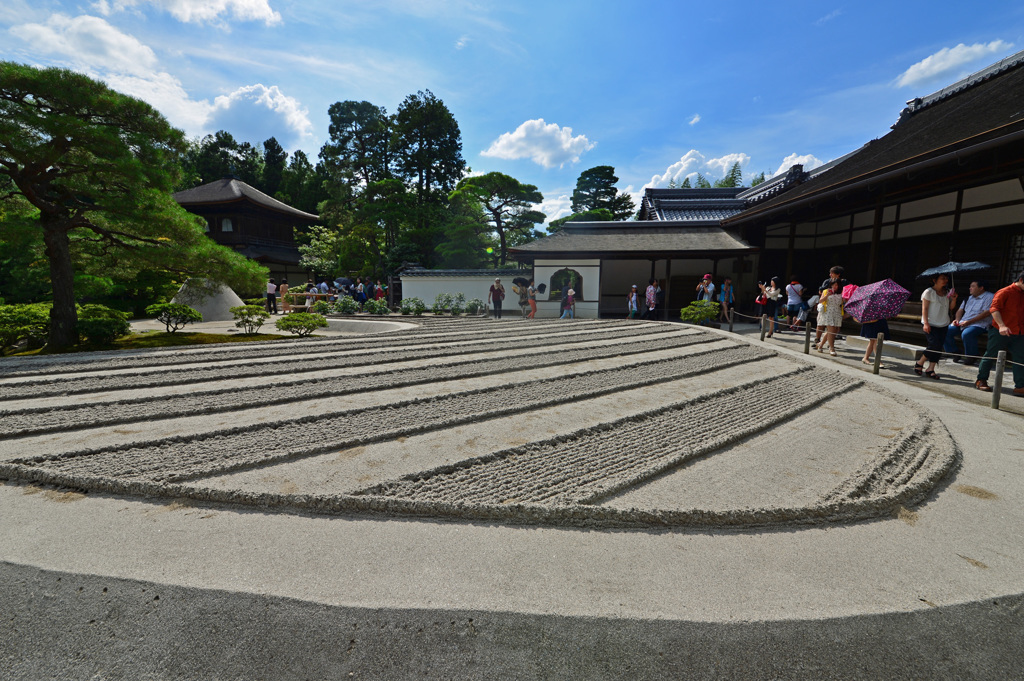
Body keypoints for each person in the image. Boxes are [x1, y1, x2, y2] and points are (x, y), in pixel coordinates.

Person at [974, 271, 1024, 395]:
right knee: (991, 354)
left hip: (1019, 331)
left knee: (1020, 358)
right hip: (1000, 330)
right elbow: (994, 309)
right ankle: (981, 380)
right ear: (1022, 280)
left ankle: (1020, 386)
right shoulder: (1005, 292)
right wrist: (1002, 325)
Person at [913, 274, 958, 379]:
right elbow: (925, 308)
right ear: (934, 280)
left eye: (946, 278)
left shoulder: (947, 292)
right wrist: (926, 323)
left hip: (943, 323)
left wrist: (954, 299)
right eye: (942, 278)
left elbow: (950, 308)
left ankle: (931, 368)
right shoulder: (928, 292)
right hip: (931, 323)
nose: (945, 280)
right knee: (933, 345)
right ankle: (920, 362)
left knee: (938, 347)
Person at [943, 280, 994, 365]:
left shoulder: (990, 297)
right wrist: (957, 320)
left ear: (981, 288)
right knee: (946, 330)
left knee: (967, 333)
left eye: (973, 286)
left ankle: (972, 356)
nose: (970, 288)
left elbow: (986, 313)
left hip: (979, 324)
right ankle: (954, 352)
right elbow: (960, 310)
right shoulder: (969, 298)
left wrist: (969, 322)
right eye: (970, 286)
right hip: (963, 322)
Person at [815, 266, 849, 346]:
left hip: (837, 307)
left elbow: (848, 293)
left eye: (832, 273)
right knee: (821, 325)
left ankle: (828, 343)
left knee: (834, 328)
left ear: (838, 274)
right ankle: (818, 340)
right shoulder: (827, 281)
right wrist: (827, 293)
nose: (830, 275)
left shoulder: (845, 283)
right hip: (826, 306)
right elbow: (821, 291)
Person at [815, 280, 844, 356]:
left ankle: (820, 345)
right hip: (828, 312)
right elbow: (820, 301)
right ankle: (831, 348)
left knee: (832, 331)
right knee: (831, 330)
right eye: (833, 285)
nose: (835, 287)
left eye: (837, 285)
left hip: (837, 312)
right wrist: (827, 295)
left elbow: (843, 303)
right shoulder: (826, 291)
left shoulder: (842, 292)